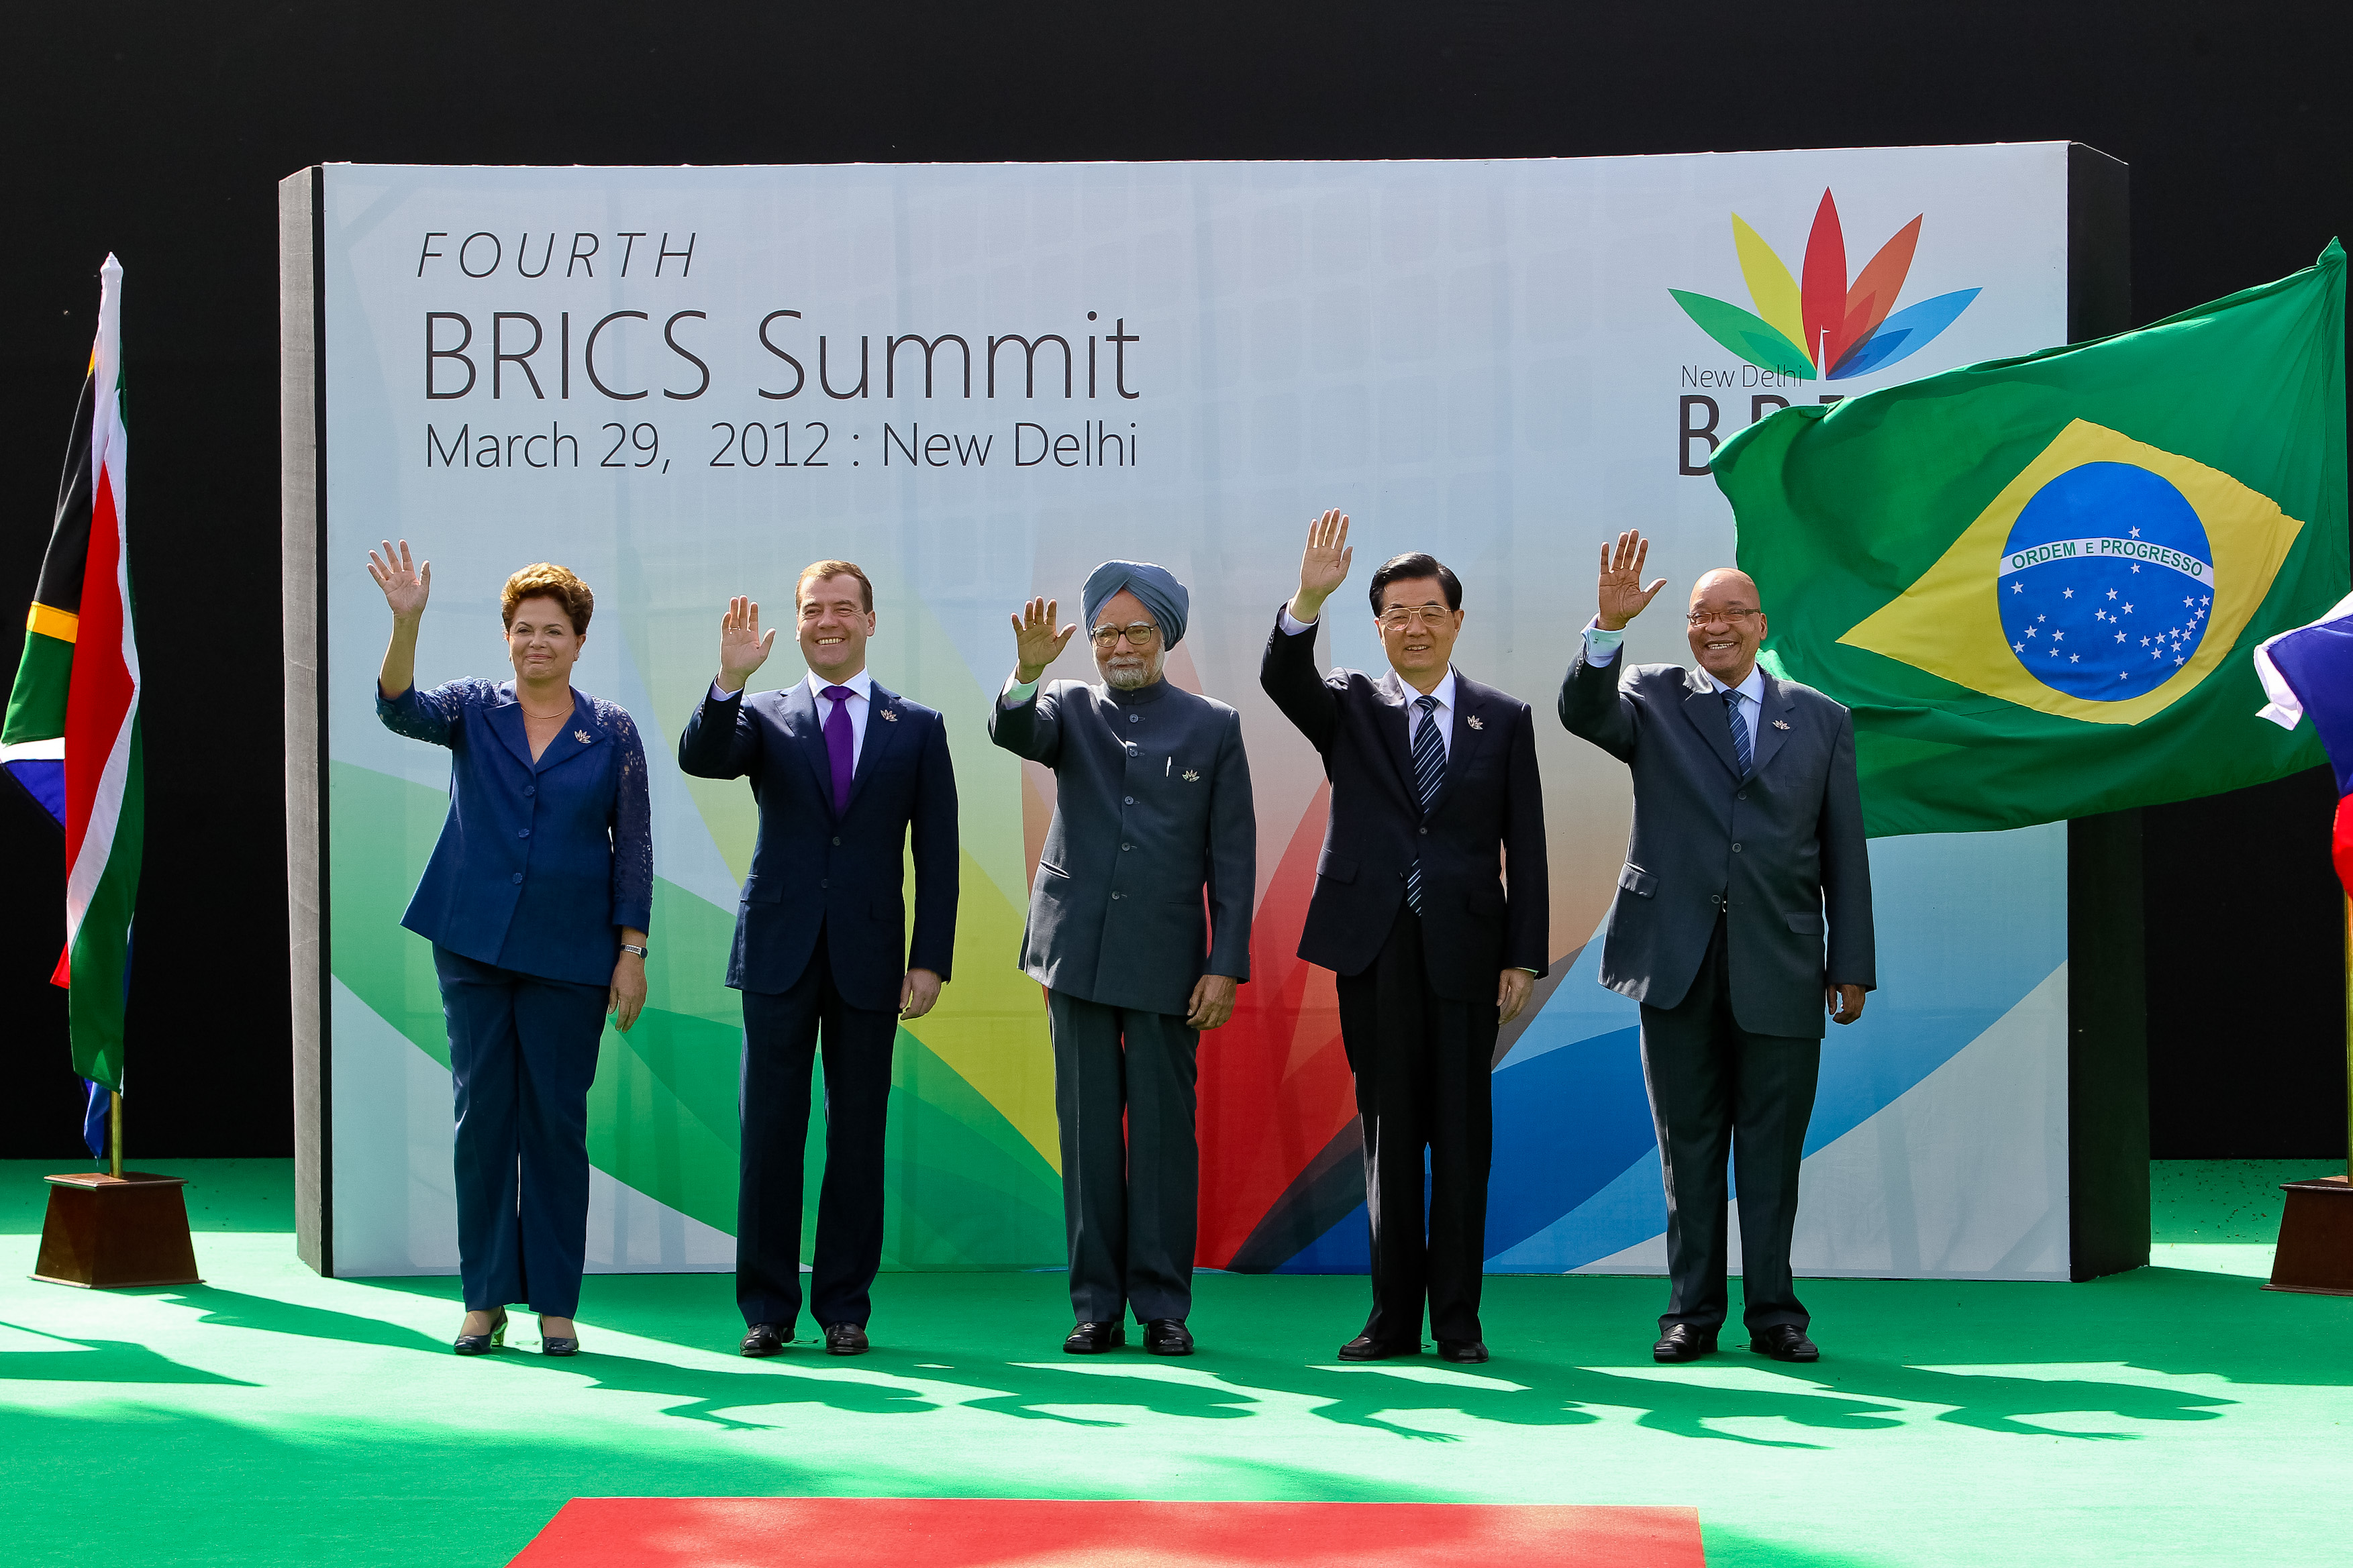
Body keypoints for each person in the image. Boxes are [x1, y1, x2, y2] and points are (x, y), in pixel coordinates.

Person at [1557, 529, 1874, 1365]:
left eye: (1733, 613)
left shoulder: (1821, 720)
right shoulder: (1649, 695)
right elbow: (1581, 714)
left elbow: (1842, 849)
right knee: (1687, 1150)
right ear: (1687, 627)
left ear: (1761, 625)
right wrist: (1605, 629)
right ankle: (1689, 1315)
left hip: (1782, 961)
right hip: (1674, 963)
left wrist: (1851, 963)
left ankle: (1775, 1317)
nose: (1716, 627)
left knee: (1770, 1154)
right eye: (1701, 615)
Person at [1260, 511, 1548, 1366]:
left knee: (1462, 1141)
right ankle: (1391, 1322)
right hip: (1373, 947)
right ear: (1376, 624)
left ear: (1456, 620)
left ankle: (1457, 1324)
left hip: (1466, 952)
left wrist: (1522, 951)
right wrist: (1308, 597)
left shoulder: (1503, 718)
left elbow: (1523, 843)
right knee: (1388, 1135)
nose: (1413, 626)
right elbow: (1283, 677)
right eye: (1395, 613)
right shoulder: (1350, 703)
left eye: (1429, 611)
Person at [366, 543, 651, 1359]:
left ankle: (556, 1303)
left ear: (579, 641)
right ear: (506, 637)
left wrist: (631, 948)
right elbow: (396, 707)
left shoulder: (612, 731)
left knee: (556, 1126)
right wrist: (406, 622)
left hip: (572, 953)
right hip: (473, 945)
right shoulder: (469, 709)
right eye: (524, 629)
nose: (537, 643)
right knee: (482, 1120)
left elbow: (632, 845)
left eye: (553, 631)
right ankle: (483, 1298)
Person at [677, 561, 958, 1358]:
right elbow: (704, 757)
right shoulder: (761, 715)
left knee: (857, 1135)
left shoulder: (918, 726)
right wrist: (729, 677)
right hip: (777, 951)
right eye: (812, 611)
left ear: (871, 621)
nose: (827, 621)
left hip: (872, 958)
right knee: (769, 1134)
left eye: (842, 609)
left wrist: (928, 959)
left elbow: (937, 857)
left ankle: (844, 1308)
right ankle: (767, 1309)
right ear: (795, 627)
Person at [989, 560, 1254, 1357]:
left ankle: (1163, 1305)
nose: (1120, 646)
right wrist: (1027, 672)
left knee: (1165, 1138)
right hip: (1071, 954)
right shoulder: (1064, 705)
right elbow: (1012, 730)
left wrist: (1226, 959)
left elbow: (1232, 856)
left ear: (1166, 636)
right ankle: (1095, 1305)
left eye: (1138, 630)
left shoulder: (1212, 723)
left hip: (1170, 961)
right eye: (1106, 633)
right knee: (1088, 1133)